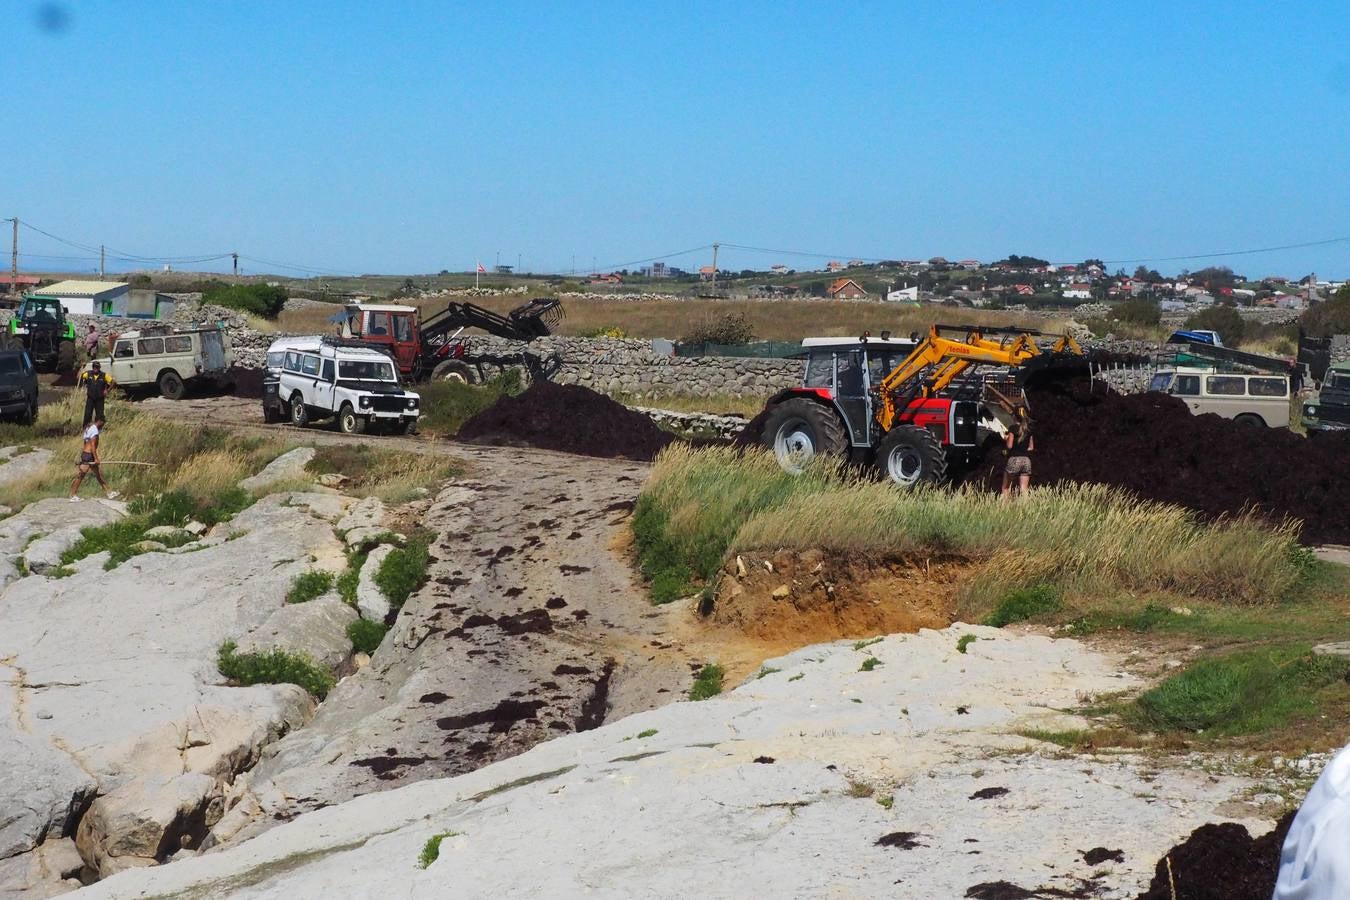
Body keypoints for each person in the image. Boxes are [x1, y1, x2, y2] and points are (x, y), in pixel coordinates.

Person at [69, 417, 117, 501]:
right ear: (99, 421)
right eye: (103, 423)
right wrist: (96, 459)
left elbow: (85, 442)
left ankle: (109, 492)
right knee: (81, 475)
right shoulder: (94, 432)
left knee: (98, 474)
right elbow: (92, 446)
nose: (103, 425)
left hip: (87, 454)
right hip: (88, 455)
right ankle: (73, 495)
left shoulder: (89, 429)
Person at [1000, 409, 1034, 498]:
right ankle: (1027, 509)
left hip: (1014, 459)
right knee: (1024, 488)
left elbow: (1009, 446)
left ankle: (1005, 509)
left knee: (1006, 488)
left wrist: (1006, 438)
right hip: (1026, 460)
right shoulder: (1029, 430)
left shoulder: (1013, 428)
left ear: (1014, 417)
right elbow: (1031, 448)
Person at [78, 361, 115, 427]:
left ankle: (98, 429)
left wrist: (107, 390)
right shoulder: (88, 374)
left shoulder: (104, 375)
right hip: (90, 398)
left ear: (99, 367)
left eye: (97, 367)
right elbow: (79, 377)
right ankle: (86, 429)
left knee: (100, 415)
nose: (96, 368)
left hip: (100, 399)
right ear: (93, 367)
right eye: (94, 367)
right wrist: (81, 368)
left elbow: (113, 382)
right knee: (87, 414)